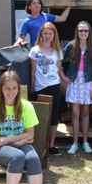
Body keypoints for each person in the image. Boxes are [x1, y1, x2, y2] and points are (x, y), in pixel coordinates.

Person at [62, 21, 92, 155]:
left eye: (85, 30)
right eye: (80, 30)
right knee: (75, 112)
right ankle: (75, 143)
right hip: (74, 81)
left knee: (85, 112)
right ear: (77, 32)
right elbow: (58, 57)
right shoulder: (71, 46)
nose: (83, 33)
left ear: (89, 33)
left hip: (88, 82)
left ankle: (85, 142)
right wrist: (62, 75)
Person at [29, 22, 65, 156]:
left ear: (54, 35)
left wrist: (65, 81)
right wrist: (32, 89)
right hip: (40, 87)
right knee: (38, 117)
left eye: (50, 33)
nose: (48, 36)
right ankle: (38, 144)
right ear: (41, 34)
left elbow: (58, 70)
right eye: (45, 33)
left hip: (54, 86)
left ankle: (51, 145)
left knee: (54, 116)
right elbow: (32, 71)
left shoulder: (58, 51)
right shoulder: (35, 50)